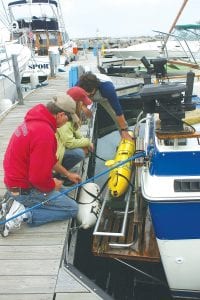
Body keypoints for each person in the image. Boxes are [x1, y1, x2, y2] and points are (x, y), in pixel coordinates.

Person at [1, 93, 82, 237]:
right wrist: (51, 185)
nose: (67, 122)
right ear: (61, 115)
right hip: (24, 189)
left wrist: (67, 174)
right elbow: (38, 179)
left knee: (63, 191)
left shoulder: (34, 121)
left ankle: (12, 199)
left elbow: (50, 160)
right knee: (71, 209)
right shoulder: (44, 133)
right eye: (68, 119)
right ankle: (22, 214)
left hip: (14, 183)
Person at [77, 72, 133, 140]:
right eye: (87, 94)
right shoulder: (78, 86)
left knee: (115, 115)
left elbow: (118, 112)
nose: (89, 96)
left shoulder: (108, 89)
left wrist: (123, 130)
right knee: (78, 111)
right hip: (83, 94)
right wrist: (83, 107)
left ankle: (125, 135)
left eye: (90, 94)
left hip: (102, 95)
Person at [56, 86, 94, 173]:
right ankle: (60, 173)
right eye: (81, 102)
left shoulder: (69, 112)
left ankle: (62, 169)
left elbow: (75, 130)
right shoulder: (63, 119)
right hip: (56, 153)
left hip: (61, 146)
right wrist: (87, 142)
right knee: (80, 153)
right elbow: (69, 143)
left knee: (83, 147)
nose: (83, 105)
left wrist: (84, 141)